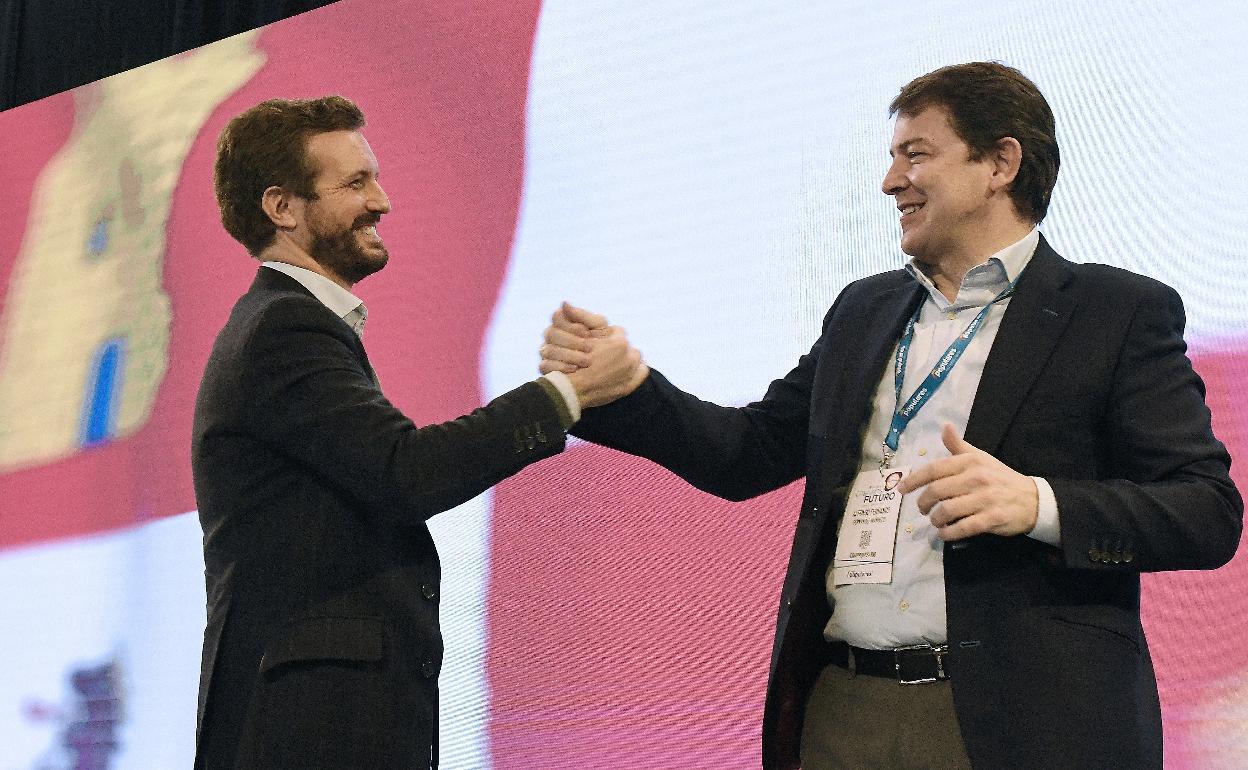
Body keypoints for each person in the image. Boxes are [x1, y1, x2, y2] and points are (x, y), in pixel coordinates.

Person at [539, 62, 1242, 769]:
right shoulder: (864, 311)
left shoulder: (1114, 313)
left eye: (917, 155)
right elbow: (747, 453)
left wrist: (1037, 502)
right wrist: (626, 389)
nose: (890, 182)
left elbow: (1205, 510)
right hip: (845, 708)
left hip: (1018, 722)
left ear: (1000, 163)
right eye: (891, 158)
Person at [192, 95, 646, 769]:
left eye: (374, 177)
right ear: (282, 208)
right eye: (354, 183)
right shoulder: (285, 329)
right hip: (309, 732)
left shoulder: (279, 326)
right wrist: (565, 396)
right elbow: (408, 472)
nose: (382, 201)